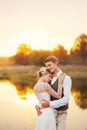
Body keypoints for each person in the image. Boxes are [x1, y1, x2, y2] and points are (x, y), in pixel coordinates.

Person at [36, 56, 72, 130]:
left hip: (60, 114)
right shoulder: (48, 79)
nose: (48, 68)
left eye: (49, 65)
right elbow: (45, 96)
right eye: (46, 66)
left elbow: (66, 99)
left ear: (56, 63)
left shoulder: (66, 78)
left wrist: (49, 104)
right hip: (49, 114)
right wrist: (38, 105)